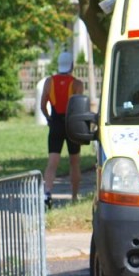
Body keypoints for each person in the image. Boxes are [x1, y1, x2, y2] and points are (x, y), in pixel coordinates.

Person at [40, 51, 83, 207]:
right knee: (74, 162)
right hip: (71, 125)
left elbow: (42, 105)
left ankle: (47, 193)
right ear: (71, 65)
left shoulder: (49, 82)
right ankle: (74, 197)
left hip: (56, 123)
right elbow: (79, 106)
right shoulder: (77, 84)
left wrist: (49, 119)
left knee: (52, 163)